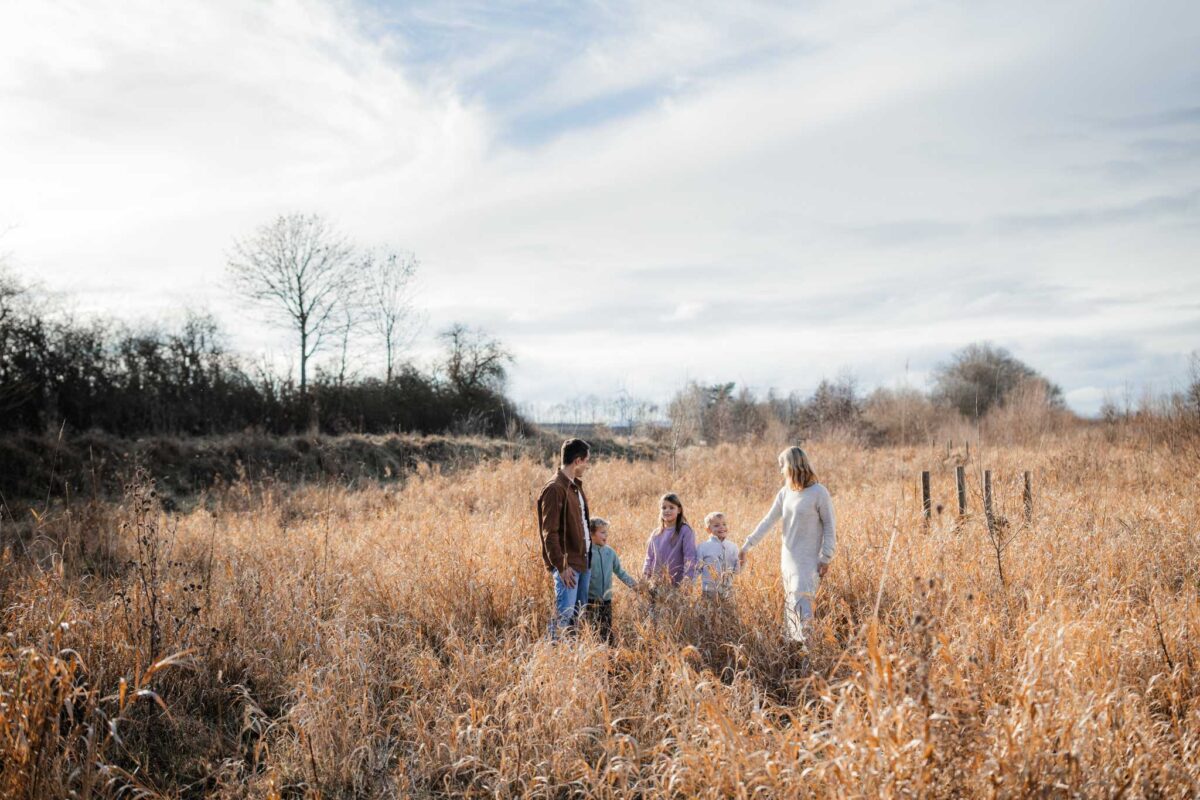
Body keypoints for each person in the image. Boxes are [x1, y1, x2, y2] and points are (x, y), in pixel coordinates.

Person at [740, 446, 836, 642]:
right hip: (788, 560)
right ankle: (795, 659)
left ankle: (810, 661)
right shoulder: (785, 492)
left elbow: (829, 526)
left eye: (782, 465)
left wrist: (826, 557)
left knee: (804, 610)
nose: (780, 470)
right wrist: (746, 546)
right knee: (791, 608)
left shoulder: (819, 492)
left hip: (809, 561)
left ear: (792, 465)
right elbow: (768, 521)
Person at [538, 438, 593, 639]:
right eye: (587, 461)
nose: (587, 466)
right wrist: (561, 566)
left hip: (583, 561)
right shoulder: (555, 489)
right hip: (568, 565)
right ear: (577, 461)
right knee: (563, 617)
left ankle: (571, 661)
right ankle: (549, 659)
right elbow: (549, 533)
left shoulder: (574, 487)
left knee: (577, 619)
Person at [585, 517, 638, 645]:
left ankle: (609, 657)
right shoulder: (587, 553)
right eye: (602, 532)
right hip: (590, 602)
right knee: (592, 632)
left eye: (606, 532)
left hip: (606, 601)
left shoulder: (610, 553)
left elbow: (620, 572)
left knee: (607, 632)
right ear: (591, 534)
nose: (606, 535)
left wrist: (634, 585)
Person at [642, 493, 697, 588]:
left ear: (679, 510)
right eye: (664, 508)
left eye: (671, 507)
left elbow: (690, 557)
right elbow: (649, 558)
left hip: (678, 585)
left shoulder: (685, 531)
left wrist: (687, 581)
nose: (667, 510)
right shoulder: (656, 533)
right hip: (656, 585)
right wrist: (645, 578)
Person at [696, 511, 740, 600]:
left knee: (728, 612)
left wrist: (742, 561)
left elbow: (737, 571)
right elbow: (696, 569)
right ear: (708, 530)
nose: (722, 527)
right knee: (710, 612)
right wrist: (689, 585)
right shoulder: (703, 547)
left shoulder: (733, 546)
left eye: (724, 524)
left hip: (728, 589)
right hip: (709, 590)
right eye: (716, 525)